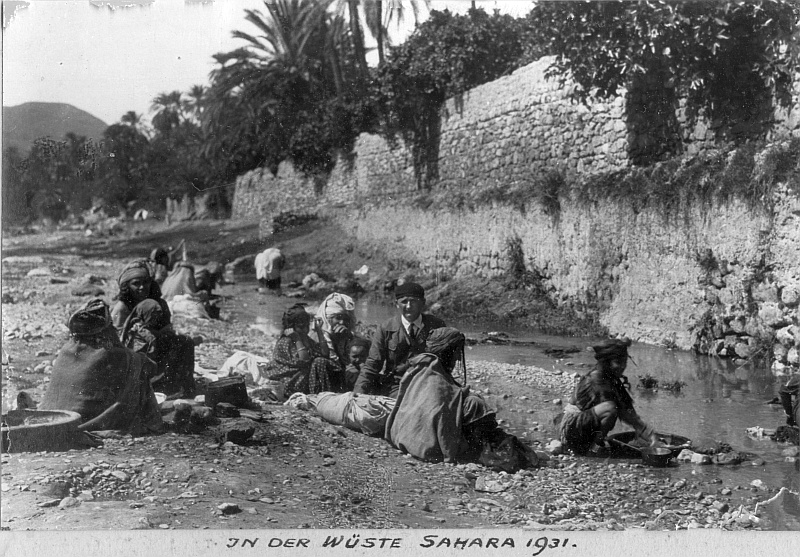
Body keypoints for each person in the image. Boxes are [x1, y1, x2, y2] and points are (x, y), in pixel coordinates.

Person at [385, 327, 531, 468]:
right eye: (456, 351)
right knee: (475, 404)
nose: (457, 357)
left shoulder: (421, 369)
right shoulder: (437, 380)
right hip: (426, 447)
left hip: (404, 436)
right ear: (448, 351)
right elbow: (442, 413)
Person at [40, 298, 163, 434]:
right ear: (106, 328)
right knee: (138, 370)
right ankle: (153, 423)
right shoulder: (109, 353)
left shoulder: (66, 349)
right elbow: (151, 368)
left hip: (52, 416)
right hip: (85, 419)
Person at [560, 337, 661, 456]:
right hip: (571, 430)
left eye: (625, 362)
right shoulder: (595, 378)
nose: (623, 366)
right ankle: (594, 449)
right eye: (618, 363)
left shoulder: (613, 379)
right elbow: (623, 413)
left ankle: (595, 445)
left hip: (584, 427)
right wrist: (648, 434)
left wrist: (647, 433)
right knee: (610, 408)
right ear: (606, 362)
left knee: (613, 408)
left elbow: (629, 411)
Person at [111, 259, 197, 397]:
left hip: (158, 344)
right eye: (136, 284)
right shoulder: (122, 308)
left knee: (184, 342)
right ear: (127, 286)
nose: (142, 287)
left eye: (146, 282)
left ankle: (181, 387)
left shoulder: (159, 304)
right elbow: (116, 341)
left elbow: (167, 328)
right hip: (131, 353)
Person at [353, 282, 446, 397]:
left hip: (428, 383)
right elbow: (373, 364)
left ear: (423, 303)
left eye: (413, 301)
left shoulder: (436, 325)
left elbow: (446, 362)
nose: (408, 306)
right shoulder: (386, 328)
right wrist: (357, 394)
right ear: (396, 304)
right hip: (396, 385)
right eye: (404, 302)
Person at [265, 304, 345, 395]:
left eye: (307, 326)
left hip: (305, 379)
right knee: (318, 362)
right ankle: (319, 394)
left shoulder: (307, 339)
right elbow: (304, 360)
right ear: (291, 327)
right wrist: (297, 339)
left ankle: (323, 393)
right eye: (301, 327)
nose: (305, 330)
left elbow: (325, 354)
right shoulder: (286, 341)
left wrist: (319, 331)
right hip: (291, 380)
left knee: (322, 361)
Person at [314, 292, 357, 370]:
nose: (342, 322)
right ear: (328, 318)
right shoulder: (318, 334)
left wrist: (348, 336)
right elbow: (331, 359)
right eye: (338, 318)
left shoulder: (345, 333)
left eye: (345, 319)